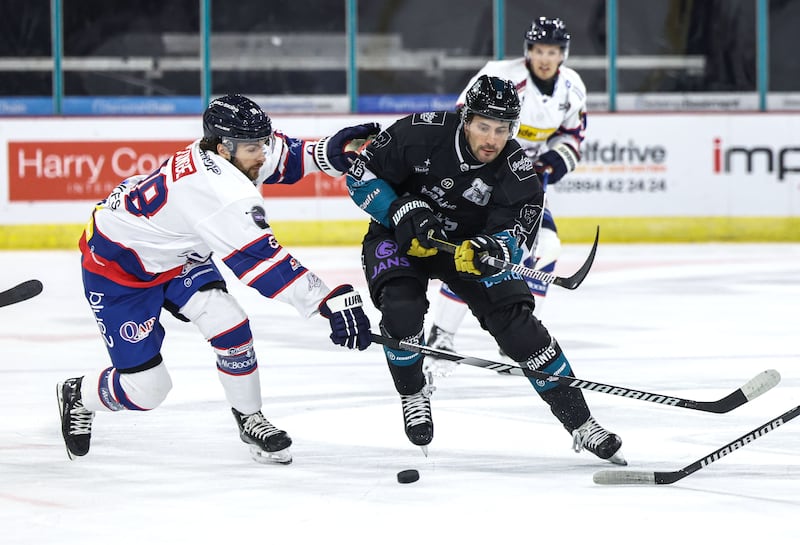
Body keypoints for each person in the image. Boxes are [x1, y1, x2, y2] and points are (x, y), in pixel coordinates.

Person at [57, 94, 377, 464]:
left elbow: (282, 156)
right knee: (147, 390)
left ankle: (249, 417)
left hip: (176, 254)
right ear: (224, 148)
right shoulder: (220, 193)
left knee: (230, 322)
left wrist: (324, 153)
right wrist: (326, 300)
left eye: (263, 142)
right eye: (254, 147)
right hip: (118, 270)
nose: (263, 153)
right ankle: (79, 394)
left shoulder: (226, 151)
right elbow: (263, 264)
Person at [345, 75, 624, 464]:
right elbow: (360, 175)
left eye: (502, 129)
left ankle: (582, 424)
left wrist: (492, 247)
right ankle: (413, 392)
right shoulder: (419, 133)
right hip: (402, 236)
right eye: (483, 126)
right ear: (466, 119)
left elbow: (517, 231)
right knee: (402, 310)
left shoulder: (518, 170)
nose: (492, 138)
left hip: (467, 250)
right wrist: (400, 210)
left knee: (520, 329)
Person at [427, 17, 586, 371]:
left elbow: (572, 136)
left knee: (546, 249)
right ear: (528, 51)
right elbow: (461, 126)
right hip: (485, 183)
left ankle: (521, 339)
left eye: (553, 51)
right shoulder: (500, 77)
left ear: (563, 54)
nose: (545, 58)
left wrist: (547, 166)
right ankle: (440, 334)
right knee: (478, 254)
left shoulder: (572, 88)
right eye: (539, 50)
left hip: (527, 188)